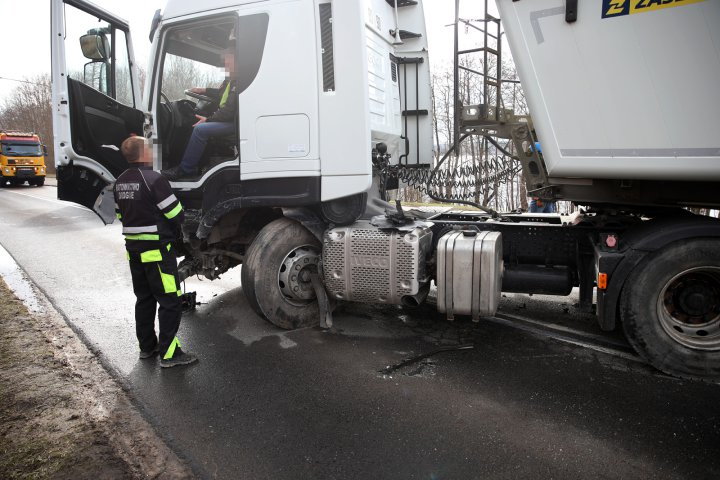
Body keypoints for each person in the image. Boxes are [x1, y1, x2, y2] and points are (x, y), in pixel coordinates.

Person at [114, 135, 198, 368]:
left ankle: (147, 348)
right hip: (158, 253)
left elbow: (120, 214)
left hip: (134, 252)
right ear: (143, 154)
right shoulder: (154, 179)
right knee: (170, 301)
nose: (153, 151)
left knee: (144, 299)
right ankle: (170, 354)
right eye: (150, 148)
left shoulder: (119, 181)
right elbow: (175, 213)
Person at [163, 42, 238, 181]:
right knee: (197, 123)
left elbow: (228, 111)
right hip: (229, 119)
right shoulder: (231, 81)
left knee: (200, 130)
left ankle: (185, 170)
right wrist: (202, 90)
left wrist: (208, 119)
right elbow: (221, 94)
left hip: (234, 123)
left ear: (236, 60)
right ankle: (197, 164)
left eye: (228, 61)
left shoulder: (239, 81)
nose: (225, 65)